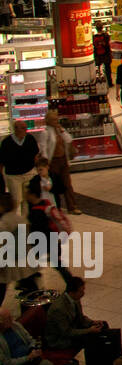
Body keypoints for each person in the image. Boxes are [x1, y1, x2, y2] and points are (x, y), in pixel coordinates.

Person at [45, 276, 117, 365]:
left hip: (72, 329)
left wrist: (93, 322)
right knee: (89, 338)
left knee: (103, 326)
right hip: (59, 340)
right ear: (72, 292)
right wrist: (89, 330)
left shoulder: (75, 299)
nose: (83, 293)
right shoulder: (59, 309)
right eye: (81, 291)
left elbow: (81, 318)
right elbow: (66, 332)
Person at [25, 158, 73, 288]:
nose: (40, 172)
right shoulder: (35, 182)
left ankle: (30, 281)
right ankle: (69, 280)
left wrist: (52, 188)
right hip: (49, 233)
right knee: (54, 262)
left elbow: (62, 188)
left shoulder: (37, 211)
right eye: (38, 169)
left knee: (34, 259)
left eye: (42, 169)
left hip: (46, 233)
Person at [38, 109, 78, 214]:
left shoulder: (60, 130)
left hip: (63, 160)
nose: (56, 121)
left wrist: (62, 130)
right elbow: (44, 148)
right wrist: (46, 164)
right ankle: (57, 207)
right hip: (53, 162)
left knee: (67, 184)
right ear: (48, 121)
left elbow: (69, 140)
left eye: (56, 119)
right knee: (54, 185)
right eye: (53, 120)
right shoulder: (45, 132)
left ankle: (72, 206)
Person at [0, 119, 39, 212]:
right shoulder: (7, 142)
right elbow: (2, 160)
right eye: (23, 129)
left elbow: (35, 155)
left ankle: (24, 225)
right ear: (16, 129)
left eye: (25, 128)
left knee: (26, 200)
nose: (25, 131)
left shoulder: (30, 139)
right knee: (16, 201)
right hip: (13, 176)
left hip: (28, 173)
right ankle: (18, 225)